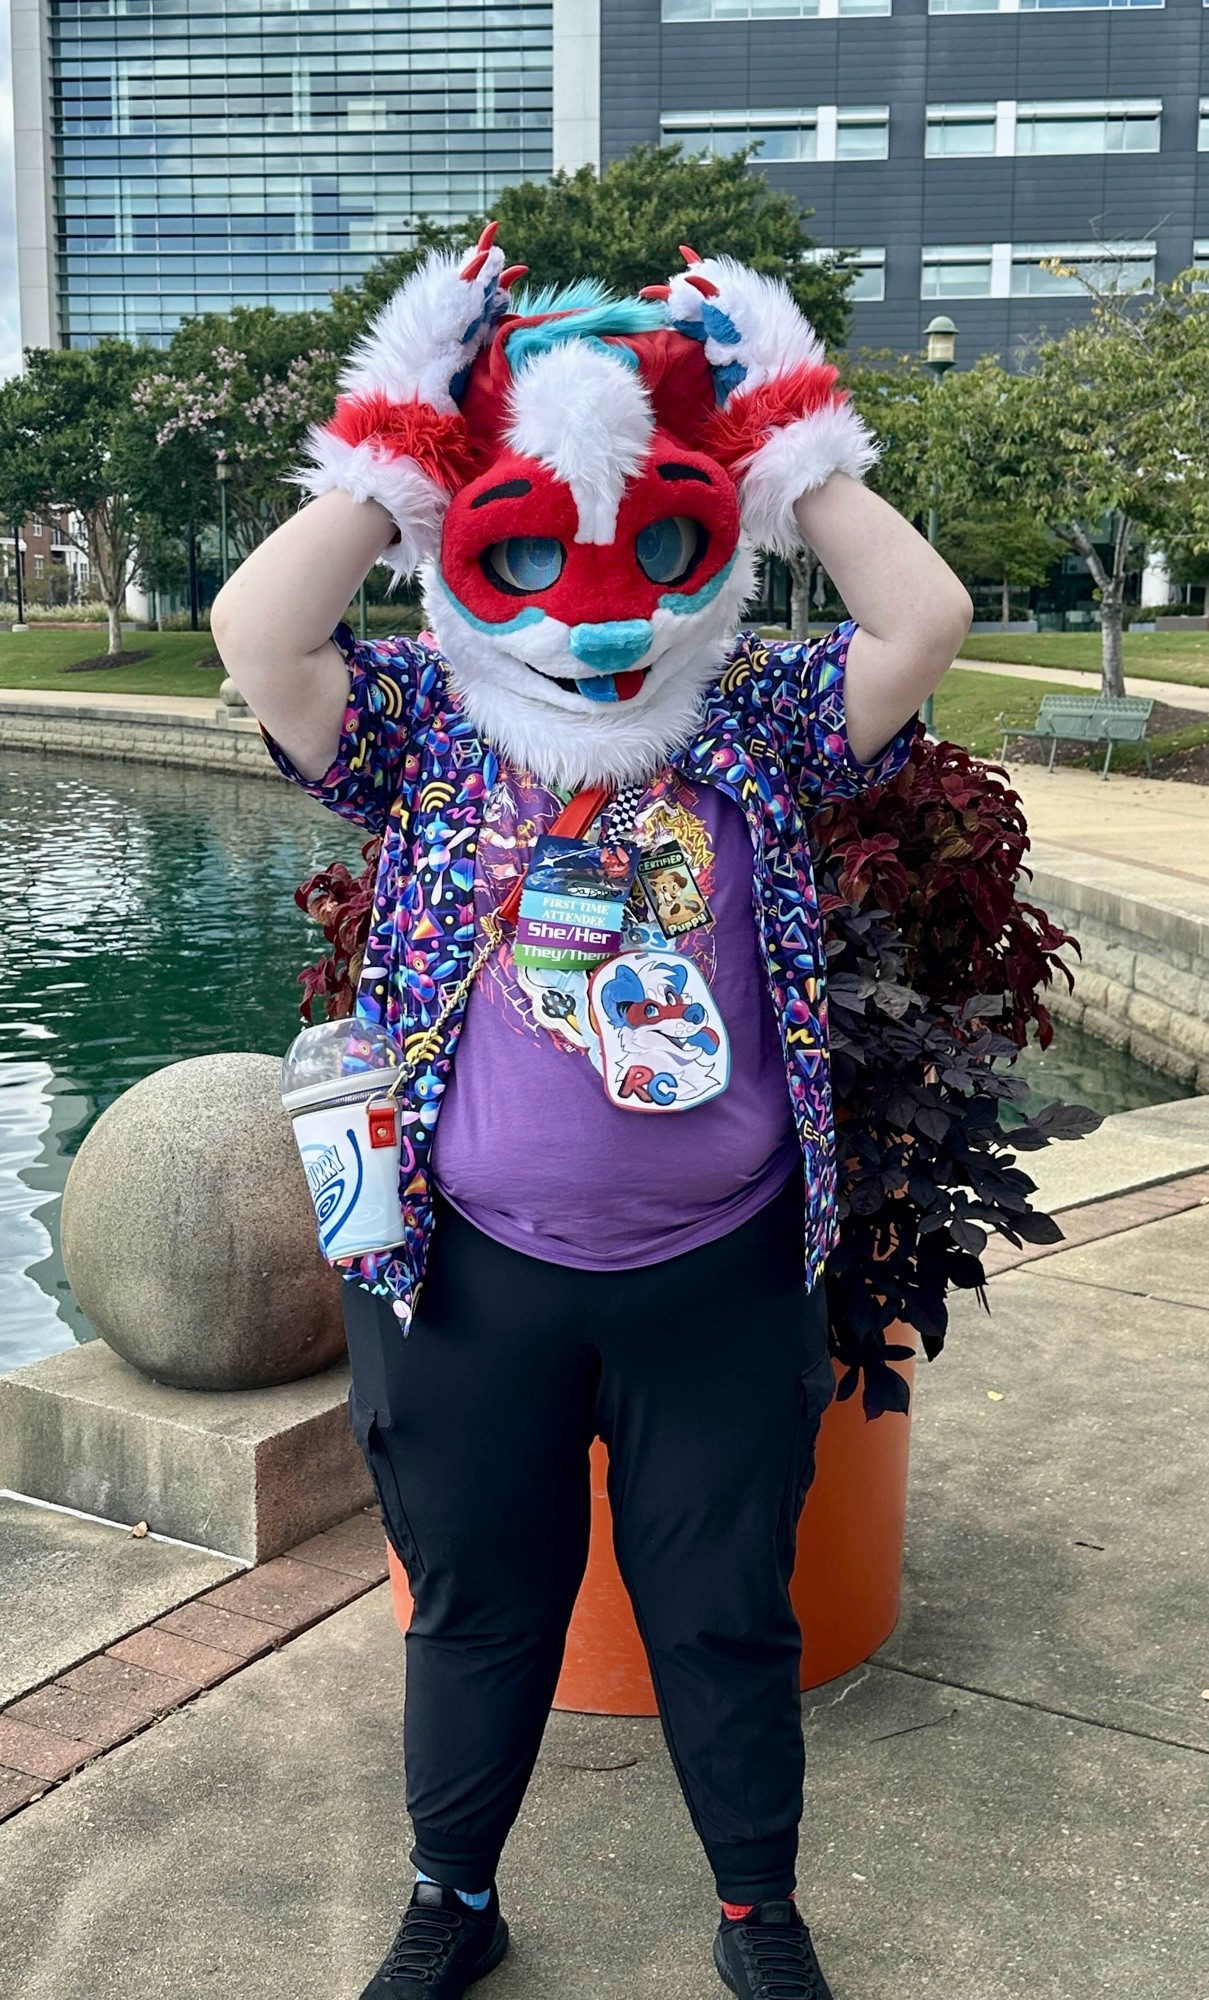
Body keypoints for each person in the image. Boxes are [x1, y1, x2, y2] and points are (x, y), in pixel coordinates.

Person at [212, 228, 971, 2000]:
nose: (603, 616)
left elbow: (918, 618)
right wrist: (397, 444)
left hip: (715, 1274)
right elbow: (262, 630)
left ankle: (754, 1911)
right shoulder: (418, 724)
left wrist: (791, 427)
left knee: (723, 1616)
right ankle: (452, 1903)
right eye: (536, 551)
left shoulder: (761, 718)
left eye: (642, 556)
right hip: (471, 1279)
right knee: (475, 1608)